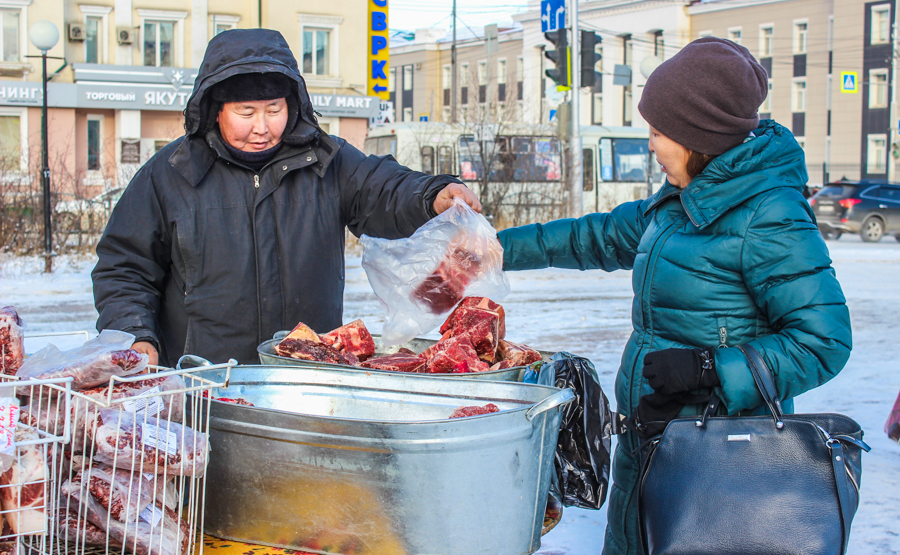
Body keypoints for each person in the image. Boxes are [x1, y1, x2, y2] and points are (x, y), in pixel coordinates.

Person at [497, 37, 851, 555]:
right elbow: (589, 237)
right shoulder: (680, 203)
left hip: (717, 469)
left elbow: (824, 342)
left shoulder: (768, 215)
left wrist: (710, 368)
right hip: (650, 445)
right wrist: (488, 248)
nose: (652, 146)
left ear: (699, 136)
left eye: (660, 133)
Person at [92, 29, 480, 367]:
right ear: (215, 110)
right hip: (204, 382)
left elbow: (382, 187)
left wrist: (433, 195)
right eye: (246, 112)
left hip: (306, 377)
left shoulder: (327, 160)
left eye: (273, 109)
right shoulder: (171, 173)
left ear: (290, 104)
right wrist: (134, 334)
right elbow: (124, 268)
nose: (262, 127)